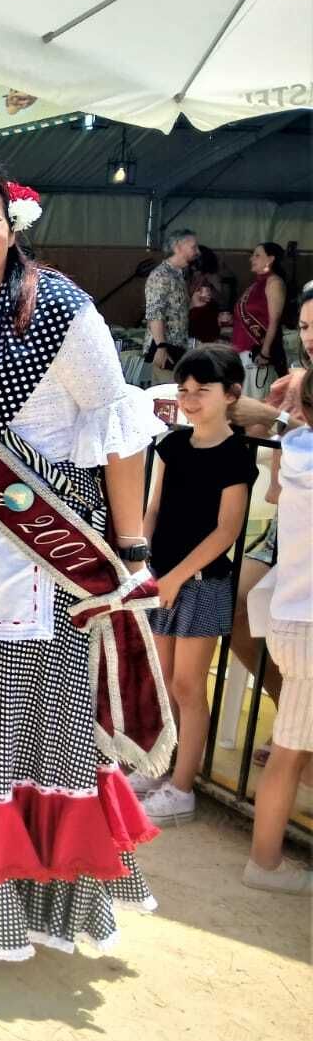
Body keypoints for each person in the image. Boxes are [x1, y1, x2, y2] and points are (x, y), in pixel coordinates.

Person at [0, 160, 171, 971]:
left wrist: (133, 550)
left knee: (22, 741)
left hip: (39, 567)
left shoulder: (61, 309)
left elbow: (117, 427)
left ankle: (4, 910)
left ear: (11, 228)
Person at [136, 348, 257, 826]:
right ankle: (159, 766)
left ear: (230, 395)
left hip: (201, 585)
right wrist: (143, 565)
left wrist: (175, 577)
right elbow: (153, 510)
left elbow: (226, 530)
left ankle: (182, 787)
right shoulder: (171, 445)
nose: (190, 400)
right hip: (161, 580)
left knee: (188, 685)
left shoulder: (235, 457)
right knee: (162, 682)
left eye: (201, 391)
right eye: (184, 391)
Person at [245, 368, 312, 893]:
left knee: (290, 751)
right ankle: (264, 863)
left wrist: (285, 419)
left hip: (290, 620)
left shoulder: (296, 453)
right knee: (289, 755)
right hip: (307, 626)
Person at [144, 228, 199, 381]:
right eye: (193, 247)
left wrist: (192, 304)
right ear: (178, 247)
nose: (197, 251)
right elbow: (155, 313)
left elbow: (175, 312)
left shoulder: (178, 274)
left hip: (177, 346)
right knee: (166, 396)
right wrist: (161, 347)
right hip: (166, 348)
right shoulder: (161, 275)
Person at [235, 242, 289, 397]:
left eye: (257, 255)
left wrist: (265, 352)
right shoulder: (256, 284)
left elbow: (274, 321)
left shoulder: (274, 282)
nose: (252, 258)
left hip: (258, 355)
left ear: (270, 259)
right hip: (244, 353)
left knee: (258, 402)